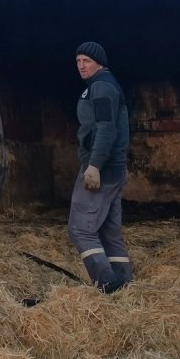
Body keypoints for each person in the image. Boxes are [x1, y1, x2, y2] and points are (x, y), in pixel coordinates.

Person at [67, 41, 132, 293]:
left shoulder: (102, 86)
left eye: (87, 61)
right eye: (78, 61)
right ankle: (123, 279)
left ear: (99, 63)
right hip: (113, 168)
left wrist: (94, 166)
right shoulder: (102, 84)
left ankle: (108, 283)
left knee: (80, 229)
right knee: (108, 230)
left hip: (101, 169)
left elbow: (106, 128)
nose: (81, 65)